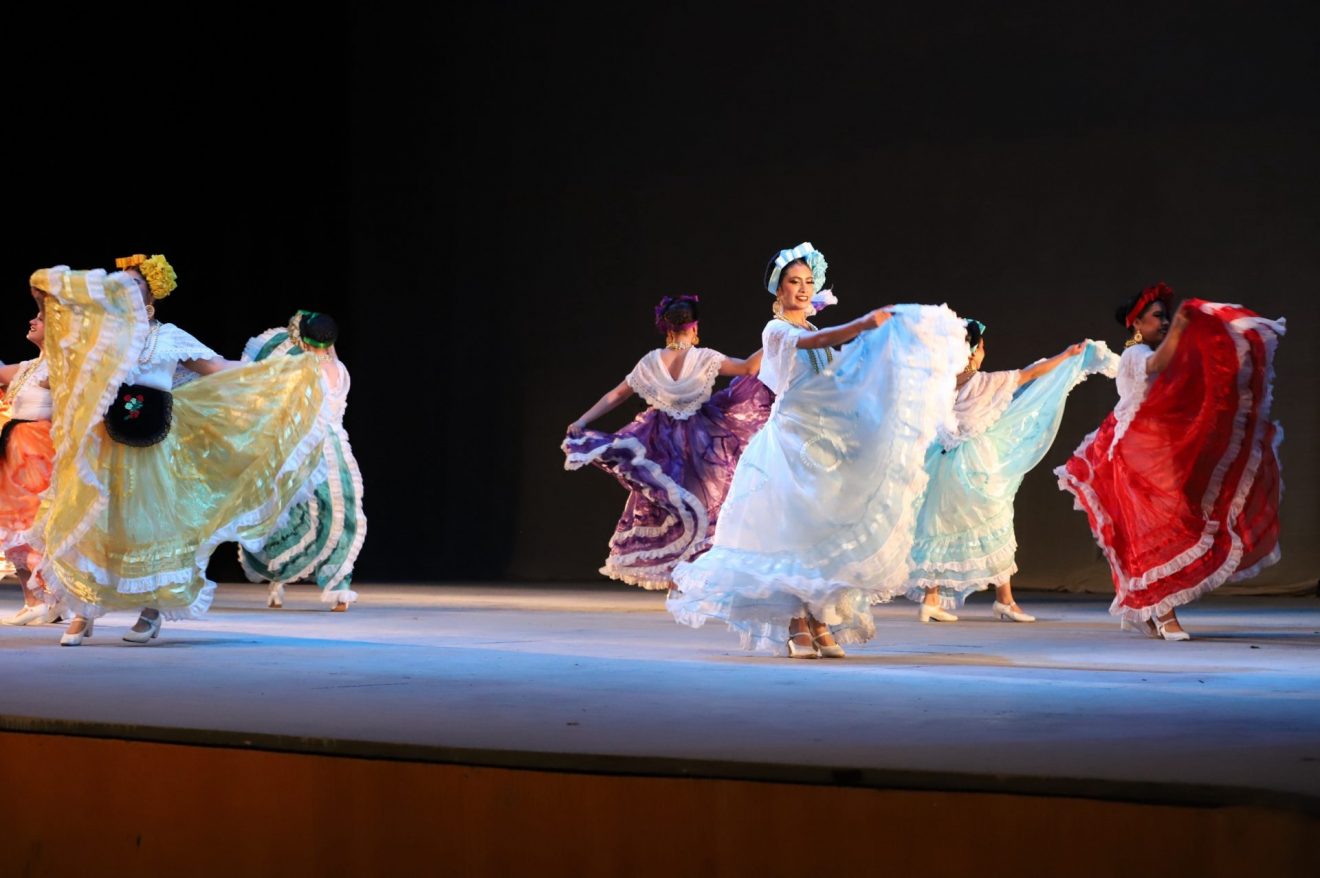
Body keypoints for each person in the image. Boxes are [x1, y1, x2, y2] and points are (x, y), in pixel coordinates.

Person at [668, 242, 965, 657]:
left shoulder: (808, 327)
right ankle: (795, 623)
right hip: (791, 441)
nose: (803, 288)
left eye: (809, 281)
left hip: (825, 441)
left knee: (822, 532)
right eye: (794, 281)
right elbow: (821, 339)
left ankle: (820, 619)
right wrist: (863, 324)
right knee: (792, 531)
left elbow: (835, 369)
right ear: (779, 289)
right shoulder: (777, 330)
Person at [31, 255, 326, 645]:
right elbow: (58, 360)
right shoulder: (101, 335)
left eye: (134, 283)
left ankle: (152, 611)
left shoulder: (169, 337)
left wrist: (274, 371)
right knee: (96, 520)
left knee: (153, 526)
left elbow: (216, 368)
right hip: (104, 444)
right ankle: (84, 611)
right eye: (119, 282)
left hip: (154, 446)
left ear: (151, 294)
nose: (125, 288)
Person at [1055, 283, 1284, 640]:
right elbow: (1158, 363)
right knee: (1155, 530)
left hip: (1152, 449)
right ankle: (1164, 613)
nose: (1163, 322)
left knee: (1162, 526)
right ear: (1137, 323)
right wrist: (1180, 325)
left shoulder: (1147, 352)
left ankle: (1144, 609)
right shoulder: (1135, 354)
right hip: (1135, 454)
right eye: (1157, 316)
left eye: (1165, 316)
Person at [906, 319, 1119, 622]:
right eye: (982, 347)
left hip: (940, 462)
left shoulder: (941, 384)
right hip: (975, 464)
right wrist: (1066, 355)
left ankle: (931, 598)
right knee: (995, 522)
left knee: (938, 526)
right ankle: (1004, 600)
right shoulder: (984, 382)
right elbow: (1030, 374)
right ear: (972, 352)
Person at [563, 295, 771, 590]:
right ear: (694, 329)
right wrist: (776, 337)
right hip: (702, 441)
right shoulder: (704, 357)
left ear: (667, 329)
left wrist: (582, 421)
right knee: (708, 503)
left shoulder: (651, 361)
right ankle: (695, 576)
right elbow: (749, 368)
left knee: (669, 506)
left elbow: (616, 395)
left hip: (660, 442)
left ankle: (679, 579)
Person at [238, 311, 365, 611]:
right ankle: (288, 581)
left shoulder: (314, 367)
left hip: (323, 447)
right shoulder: (328, 368)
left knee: (333, 511)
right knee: (325, 513)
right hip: (308, 447)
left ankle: (335, 583)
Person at [0, 297, 61, 625]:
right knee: (13, 527)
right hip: (15, 446)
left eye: (40, 318)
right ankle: (33, 601)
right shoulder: (27, 367)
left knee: (36, 524)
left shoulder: (60, 367)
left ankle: (53, 598)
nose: (32, 321)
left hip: (39, 448)